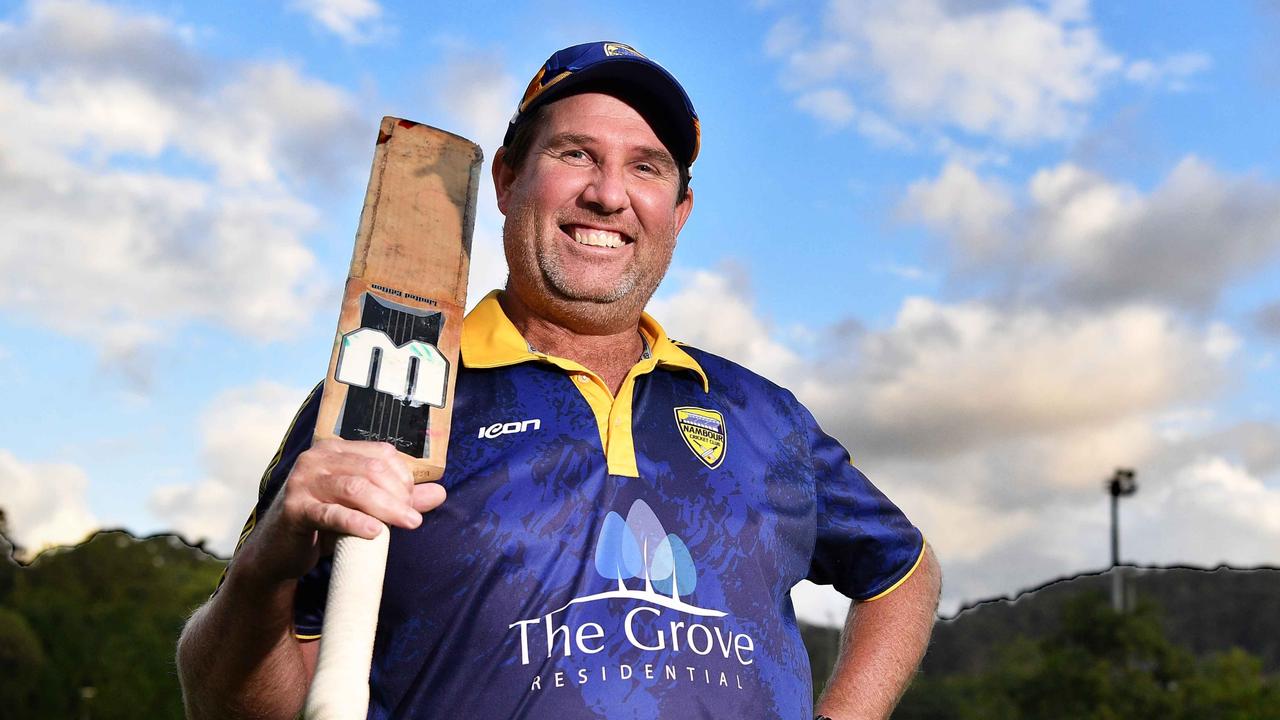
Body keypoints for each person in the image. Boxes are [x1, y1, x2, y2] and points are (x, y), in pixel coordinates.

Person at [177, 41, 941, 720]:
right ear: (507, 179)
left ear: (679, 212)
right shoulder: (388, 395)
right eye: (575, 153)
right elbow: (232, 704)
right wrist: (264, 567)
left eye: (646, 167)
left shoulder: (762, 416)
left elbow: (904, 574)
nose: (609, 193)